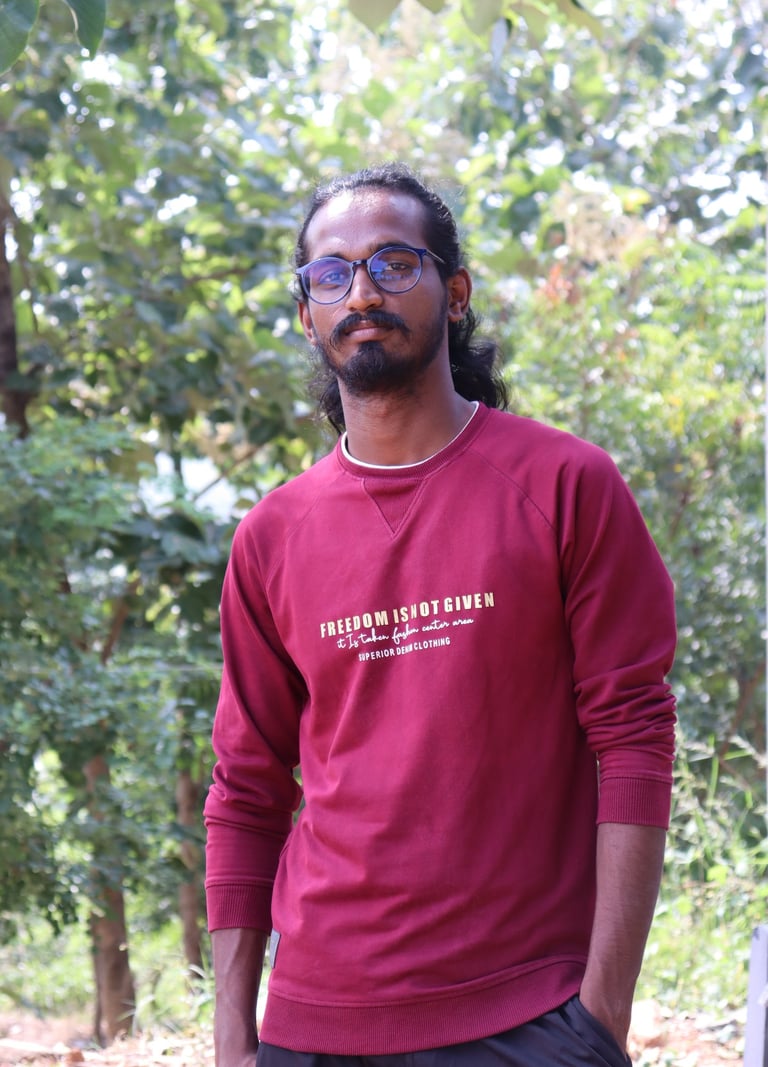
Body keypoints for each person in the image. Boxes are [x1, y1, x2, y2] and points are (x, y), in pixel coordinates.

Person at [203, 162, 677, 1067]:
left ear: (454, 293)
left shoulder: (565, 485)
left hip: (526, 1017)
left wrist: (601, 1016)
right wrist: (235, 1042)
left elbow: (634, 737)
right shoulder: (271, 537)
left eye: (393, 263)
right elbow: (246, 790)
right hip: (313, 1025)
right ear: (307, 313)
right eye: (332, 273)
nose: (362, 292)